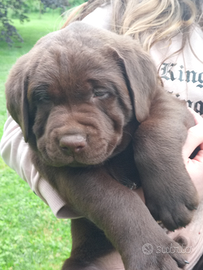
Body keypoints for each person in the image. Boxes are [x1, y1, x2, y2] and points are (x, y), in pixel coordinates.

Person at [1, 0, 203, 269]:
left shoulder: (146, 85)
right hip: (106, 247)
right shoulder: (104, 21)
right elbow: (21, 140)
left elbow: (164, 105)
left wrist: (158, 156)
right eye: (45, 99)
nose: (72, 133)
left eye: (99, 92)